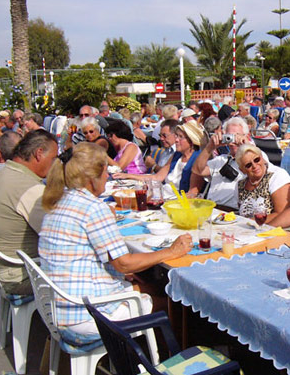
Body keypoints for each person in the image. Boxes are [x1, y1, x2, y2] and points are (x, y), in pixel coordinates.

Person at [39, 142, 192, 333]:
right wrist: (171, 251)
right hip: (86, 313)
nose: (107, 177)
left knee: (150, 286)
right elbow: (124, 263)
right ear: (92, 178)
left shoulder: (59, 201)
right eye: (105, 172)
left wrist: (122, 271)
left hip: (60, 305)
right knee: (172, 303)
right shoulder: (92, 208)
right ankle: (163, 356)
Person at [0, 130, 58, 294]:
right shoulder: (29, 189)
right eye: (53, 158)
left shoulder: (2, 174)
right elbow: (60, 238)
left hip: (3, 267)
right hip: (20, 276)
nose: (54, 164)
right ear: (39, 154)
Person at [115, 120, 205, 198]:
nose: (176, 140)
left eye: (181, 137)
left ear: (192, 141)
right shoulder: (177, 155)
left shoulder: (197, 159)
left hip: (176, 202)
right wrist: (128, 176)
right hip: (163, 195)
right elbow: (157, 177)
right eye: (177, 136)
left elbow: (193, 193)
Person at [235, 144, 290, 222]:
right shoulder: (240, 184)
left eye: (256, 160)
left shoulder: (278, 176)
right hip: (246, 229)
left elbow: (282, 214)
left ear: (262, 158)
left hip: (276, 228)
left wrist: (249, 222)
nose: (254, 166)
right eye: (248, 165)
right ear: (242, 170)